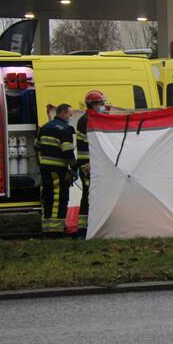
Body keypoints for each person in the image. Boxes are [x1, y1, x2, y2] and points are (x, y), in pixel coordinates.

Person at [36, 103, 76, 233]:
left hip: (44, 167)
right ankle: (55, 229)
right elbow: (67, 151)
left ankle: (46, 226)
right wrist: (74, 167)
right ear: (63, 114)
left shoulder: (44, 127)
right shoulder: (65, 129)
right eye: (69, 115)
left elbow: (37, 145)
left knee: (47, 196)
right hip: (58, 168)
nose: (70, 117)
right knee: (60, 196)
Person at [76, 90, 106, 235]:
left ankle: (85, 227)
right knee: (90, 194)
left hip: (90, 162)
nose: (103, 106)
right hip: (87, 163)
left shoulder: (89, 118)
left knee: (90, 194)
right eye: (101, 104)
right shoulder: (87, 120)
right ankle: (84, 228)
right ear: (92, 105)